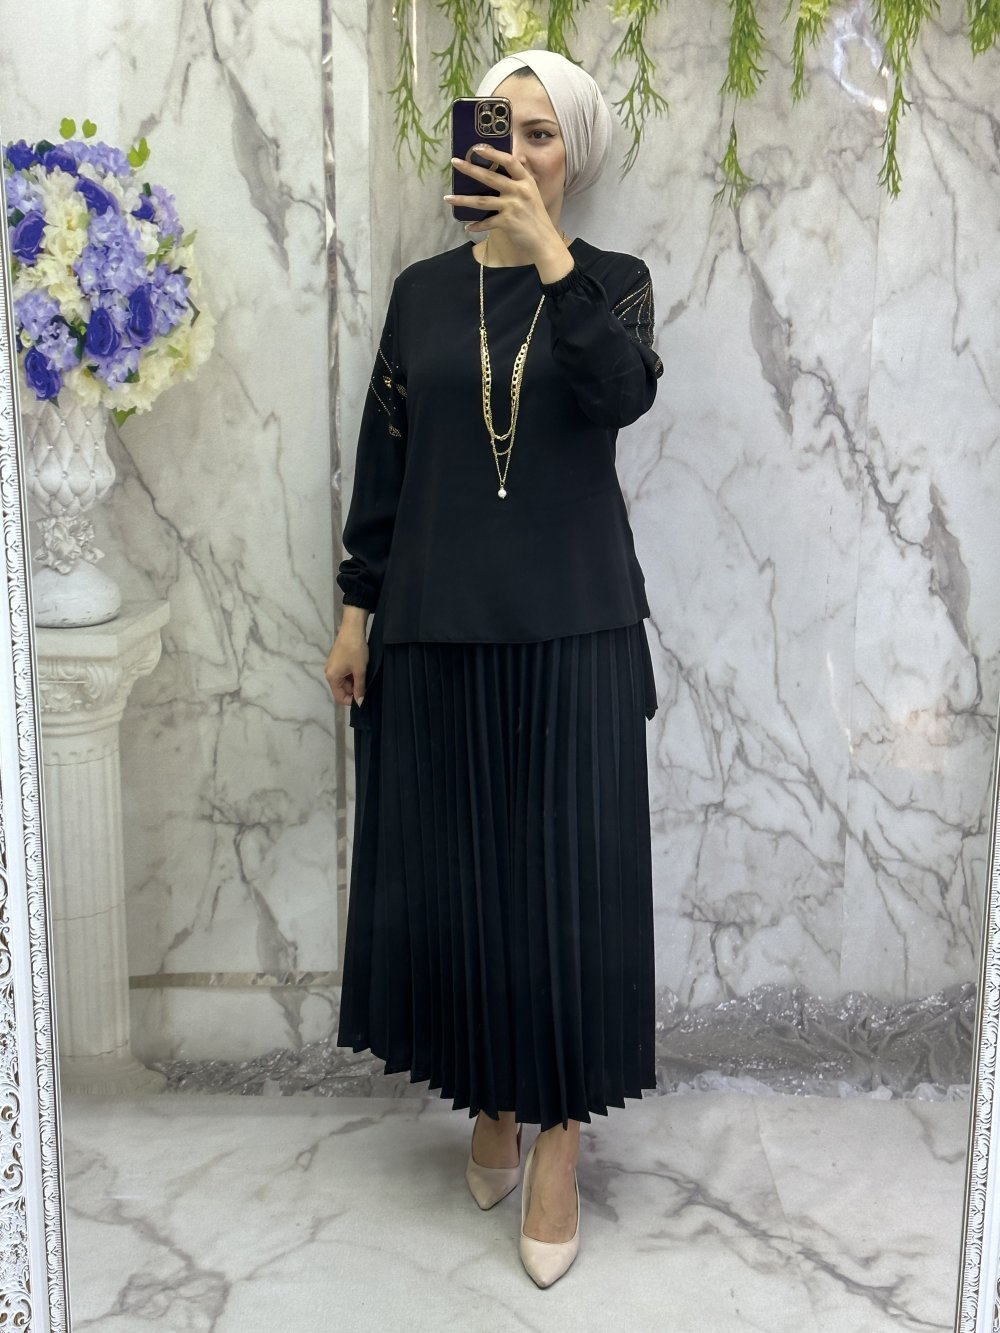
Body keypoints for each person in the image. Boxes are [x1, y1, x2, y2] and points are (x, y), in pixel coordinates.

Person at [326, 48, 663, 1288]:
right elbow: (387, 462)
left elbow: (618, 396)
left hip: (574, 630)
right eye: (498, 128)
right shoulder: (422, 294)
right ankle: (491, 1099)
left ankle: (560, 1134)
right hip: (435, 627)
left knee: (569, 891)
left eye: (541, 133)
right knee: (465, 884)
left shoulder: (612, 283)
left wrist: (550, 256)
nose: (516, 151)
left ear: (574, 154)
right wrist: (356, 613)